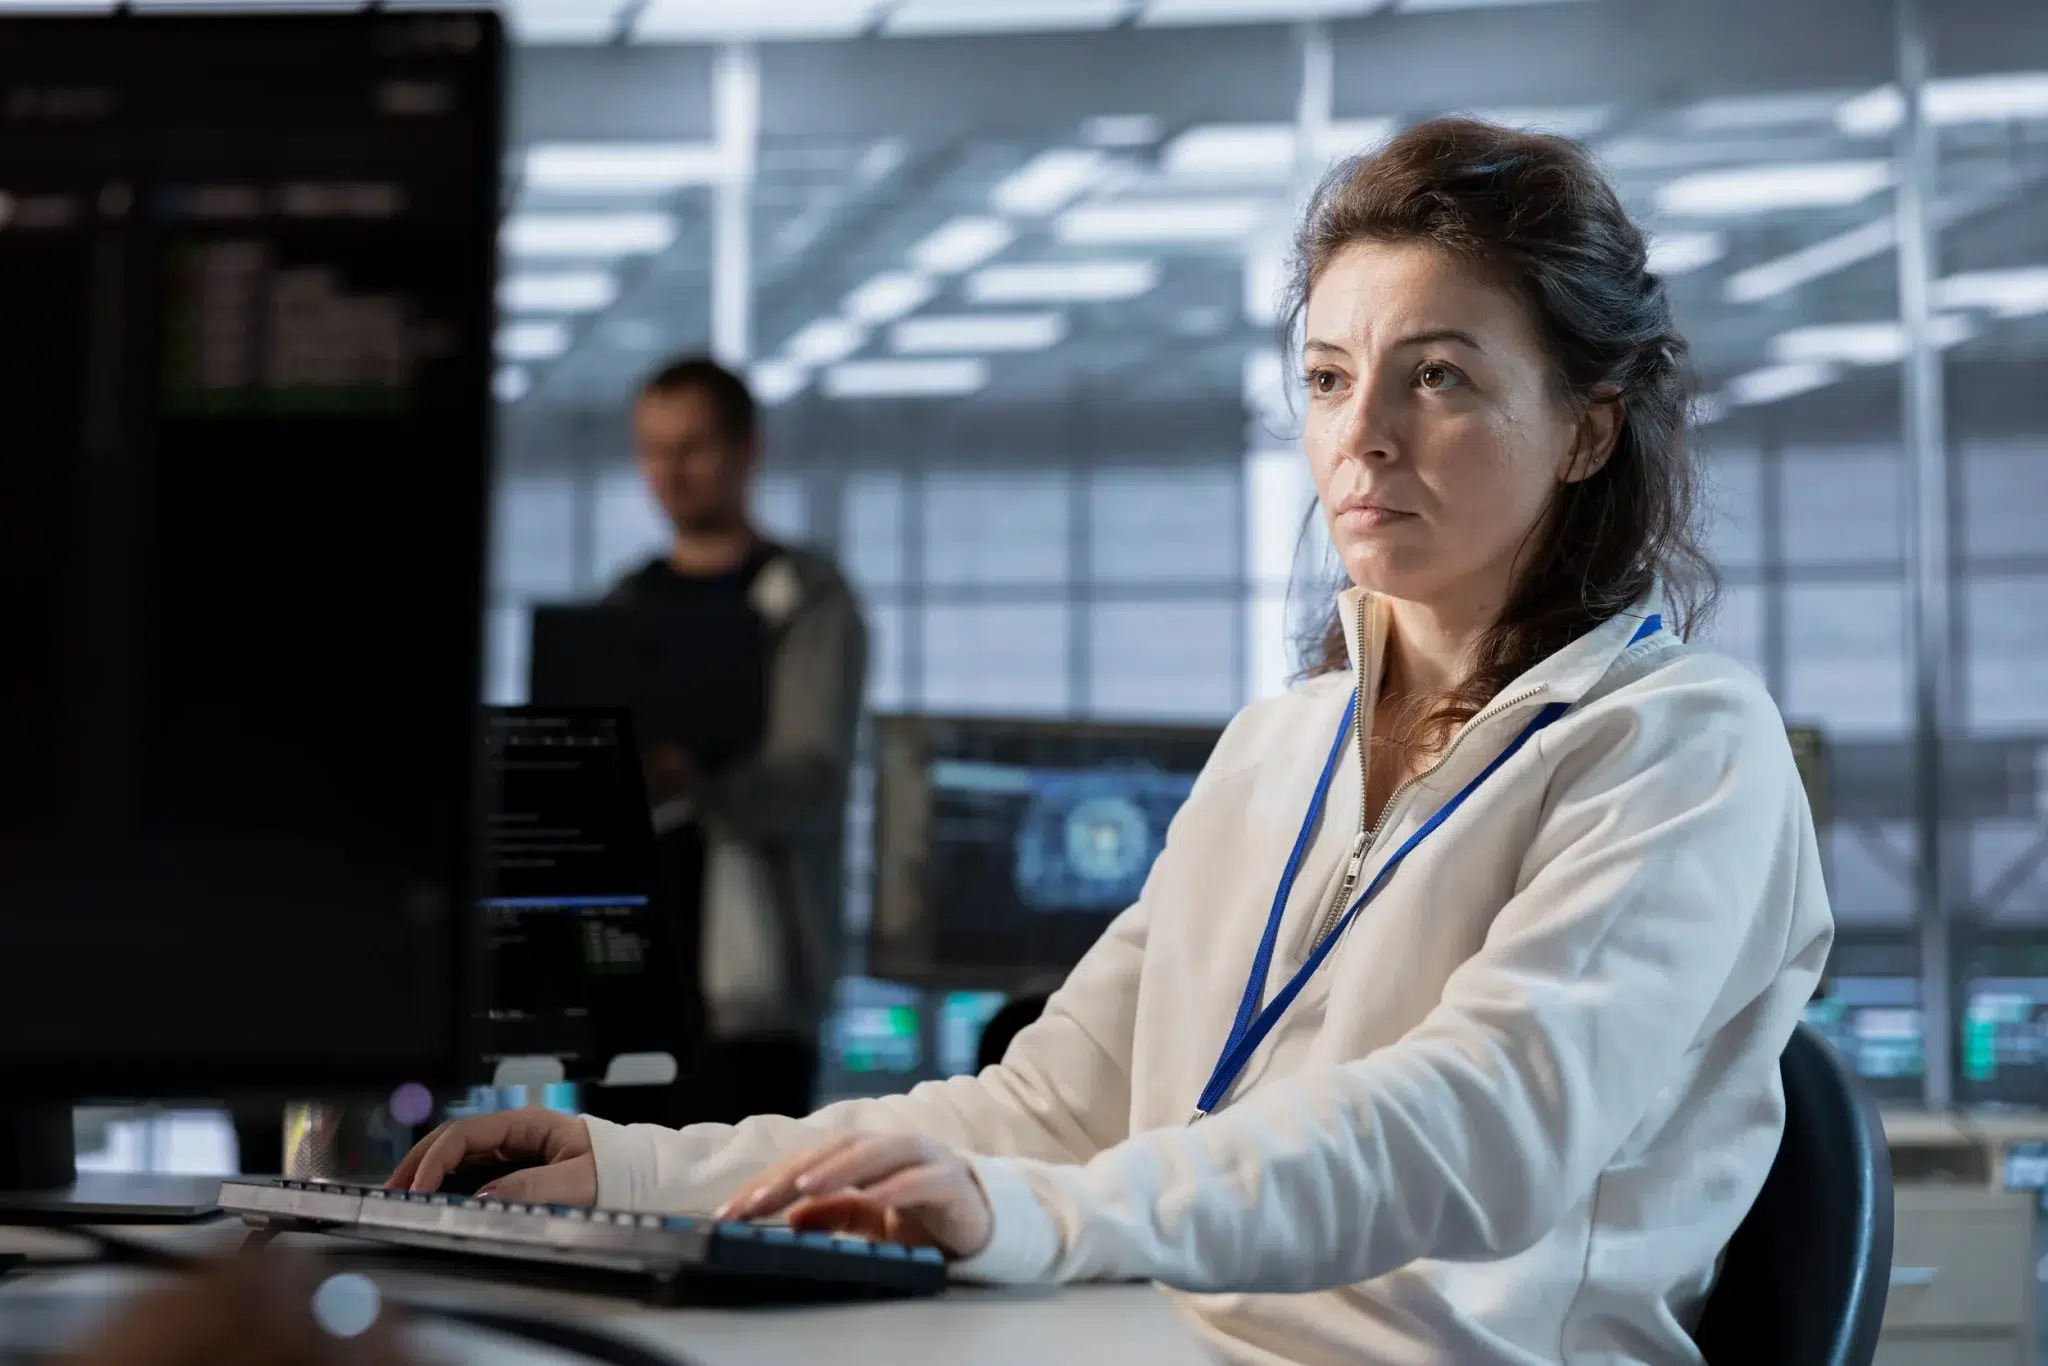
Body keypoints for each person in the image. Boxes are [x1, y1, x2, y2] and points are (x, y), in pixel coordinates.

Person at [392, 120, 1833, 1366]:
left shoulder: (1680, 748)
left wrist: (1048, 1217)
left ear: (1588, 430)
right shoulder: (1281, 747)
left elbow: (1479, 1121)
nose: (1365, 436)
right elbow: (1047, 1104)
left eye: (1439, 376)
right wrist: (638, 1169)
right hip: (1152, 1329)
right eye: (1330, 377)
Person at [606, 356, 867, 1124]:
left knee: (738, 1206)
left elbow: (812, 775)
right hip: (631, 984)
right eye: (653, 450)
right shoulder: (625, 606)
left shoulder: (807, 601)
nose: (670, 473)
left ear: (746, 451)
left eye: (692, 448)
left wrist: (698, 780)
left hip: (758, 990)